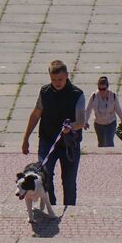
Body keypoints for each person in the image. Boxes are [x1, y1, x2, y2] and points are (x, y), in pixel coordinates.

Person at [21, 60, 86, 208]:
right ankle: (52, 207)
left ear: (67, 76)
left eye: (60, 79)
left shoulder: (77, 94)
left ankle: (69, 210)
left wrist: (71, 126)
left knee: (69, 181)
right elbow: (36, 114)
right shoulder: (44, 92)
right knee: (45, 178)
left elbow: (81, 121)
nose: (57, 82)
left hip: (70, 144)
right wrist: (26, 138)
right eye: (53, 79)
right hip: (47, 141)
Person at [85, 75, 122, 147]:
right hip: (98, 123)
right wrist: (85, 121)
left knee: (109, 142)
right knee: (101, 143)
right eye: (100, 89)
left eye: (104, 89)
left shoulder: (113, 96)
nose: (101, 91)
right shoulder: (94, 96)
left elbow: (118, 109)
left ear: (107, 87)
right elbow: (88, 110)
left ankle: (111, 157)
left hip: (110, 123)